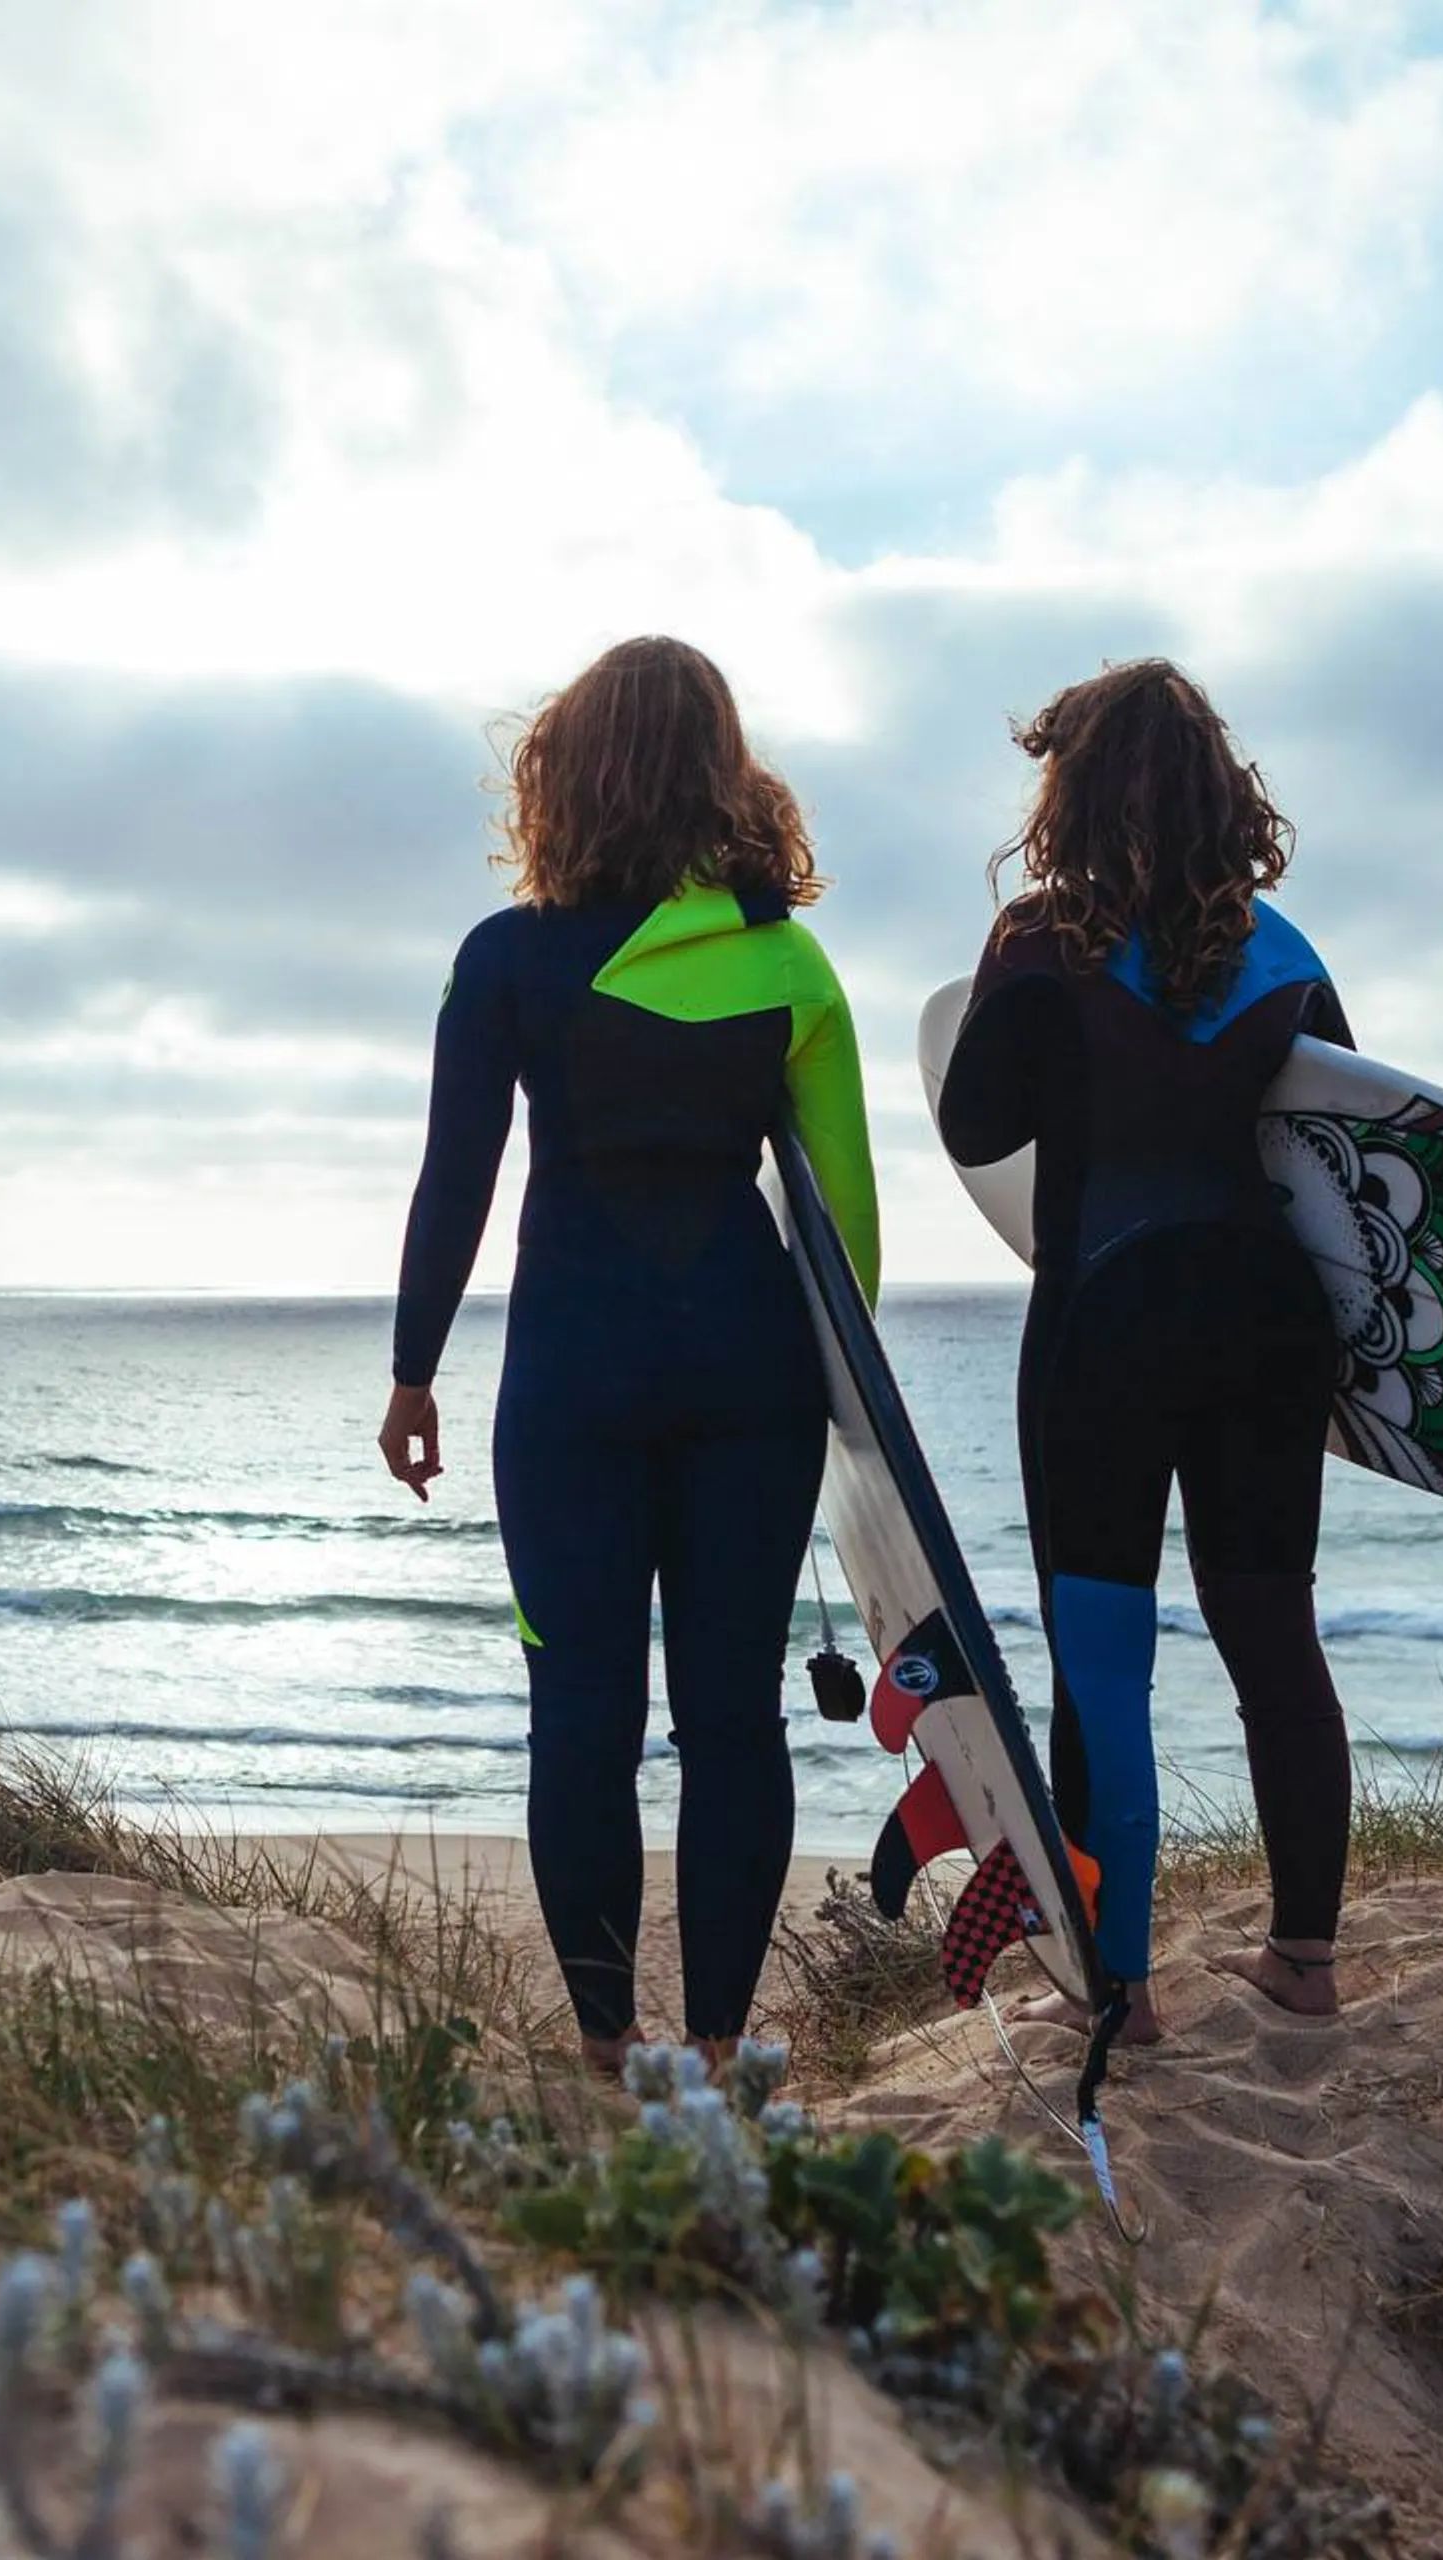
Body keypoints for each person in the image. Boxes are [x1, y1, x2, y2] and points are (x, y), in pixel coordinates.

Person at [377, 635, 875, 2075]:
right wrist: (852, 1416)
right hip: (749, 1373)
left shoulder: (507, 961)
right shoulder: (785, 962)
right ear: (723, 776)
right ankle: (717, 2046)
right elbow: (844, 1222)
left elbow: (454, 1184)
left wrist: (414, 1371)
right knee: (735, 1719)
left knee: (579, 1714)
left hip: (571, 1381)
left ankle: (608, 2045)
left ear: (565, 775)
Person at [933, 659, 1353, 2042]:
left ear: (1070, 794)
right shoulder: (1288, 959)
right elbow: (1347, 1168)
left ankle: (1121, 1986)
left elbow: (978, 1130)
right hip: (1268, 1325)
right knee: (1273, 1635)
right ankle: (1303, 1961)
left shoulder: (1040, 941)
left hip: (1104, 1321)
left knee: (1101, 1661)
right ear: (1224, 795)